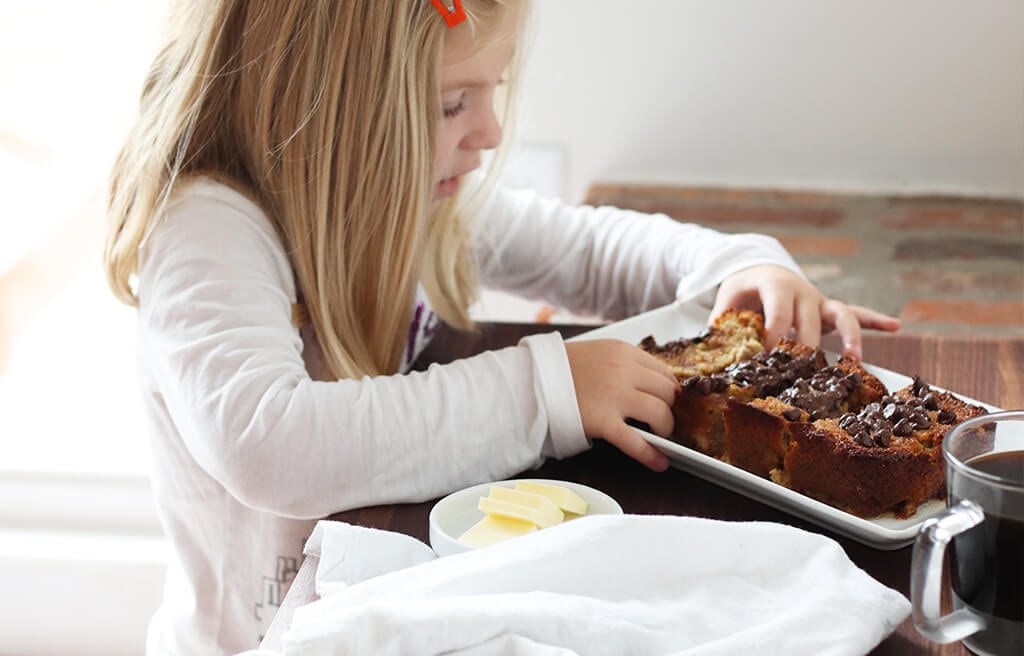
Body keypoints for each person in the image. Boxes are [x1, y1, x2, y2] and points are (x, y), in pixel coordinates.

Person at [103, 1, 900, 653]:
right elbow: (267, 441)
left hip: (389, 595)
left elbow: (590, 248)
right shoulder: (208, 229)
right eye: (454, 102)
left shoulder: (406, 199)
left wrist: (744, 265)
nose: (486, 131)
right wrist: (549, 387)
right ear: (330, 112)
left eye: (492, 92)